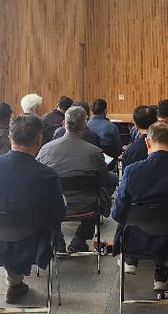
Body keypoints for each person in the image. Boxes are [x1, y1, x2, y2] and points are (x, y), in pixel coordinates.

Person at [0, 114, 65, 305]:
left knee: (9, 217)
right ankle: (14, 283)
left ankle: (14, 283)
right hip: (34, 243)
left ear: (10, 136)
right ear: (40, 139)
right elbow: (58, 214)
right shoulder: (47, 175)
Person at [112, 122, 168, 291]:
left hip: (137, 239)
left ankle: (131, 259)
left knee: (130, 216)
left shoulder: (132, 171)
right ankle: (161, 272)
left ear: (147, 142)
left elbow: (117, 212)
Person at [37, 106, 117, 253]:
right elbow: (105, 179)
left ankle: (58, 240)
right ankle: (80, 238)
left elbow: (38, 178)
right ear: (84, 125)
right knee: (103, 189)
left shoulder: (45, 149)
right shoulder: (94, 152)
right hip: (87, 207)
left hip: (54, 205)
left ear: (64, 123)